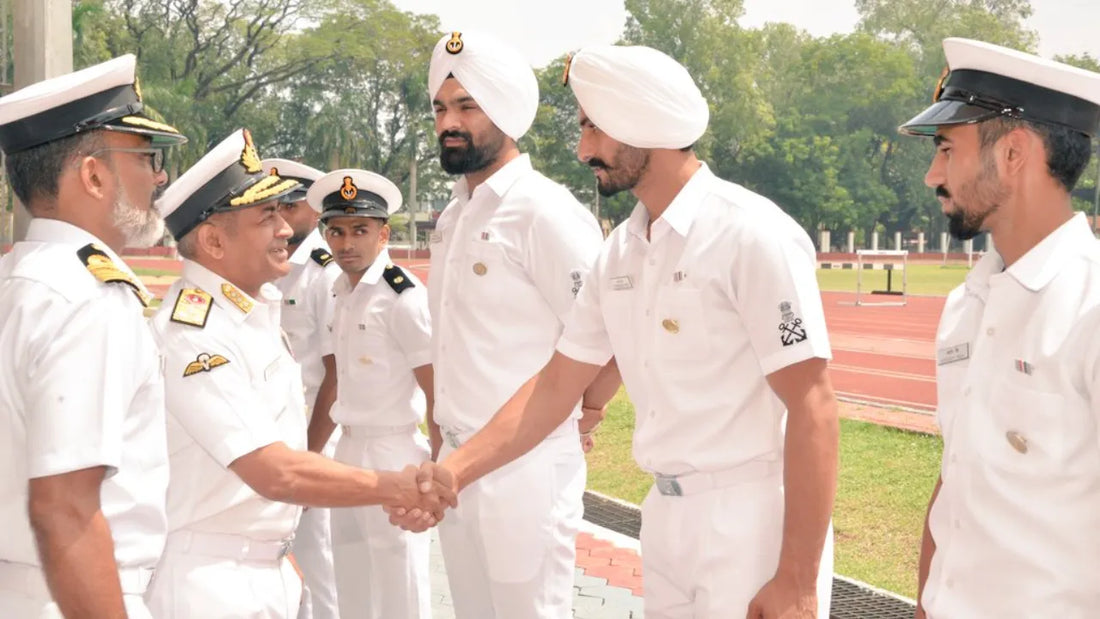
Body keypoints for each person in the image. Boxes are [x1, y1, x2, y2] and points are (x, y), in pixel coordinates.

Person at [397, 44, 839, 618]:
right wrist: (449, 474)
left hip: (749, 518)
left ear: (643, 124)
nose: (583, 151)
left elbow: (813, 405)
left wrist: (799, 582)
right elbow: (556, 385)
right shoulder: (623, 251)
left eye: (593, 129)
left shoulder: (749, 234)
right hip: (665, 516)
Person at [145, 129, 454, 618]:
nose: (286, 229)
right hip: (211, 585)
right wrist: (395, 487)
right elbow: (274, 470)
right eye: (266, 216)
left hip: (259, 571)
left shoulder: (249, 315)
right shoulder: (195, 335)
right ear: (212, 240)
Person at [898, 38, 1100, 618]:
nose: (932, 175)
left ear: (1013, 154)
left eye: (945, 149)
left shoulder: (1089, 312)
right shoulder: (968, 303)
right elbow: (956, 480)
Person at [424, 30, 620, 618]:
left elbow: (607, 335)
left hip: (524, 471)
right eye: (440, 108)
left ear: (506, 113)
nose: (448, 123)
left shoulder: (545, 211)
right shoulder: (453, 216)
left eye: (467, 106)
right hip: (456, 463)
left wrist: (587, 410)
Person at [0, 54, 187, 618]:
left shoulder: (21, 281)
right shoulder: (89, 299)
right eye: (145, 157)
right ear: (94, 175)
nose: (158, 177)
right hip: (76, 595)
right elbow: (66, 510)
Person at [305, 169, 434, 618]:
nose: (346, 243)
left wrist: (437, 470)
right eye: (336, 231)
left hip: (394, 449)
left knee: (401, 585)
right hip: (349, 449)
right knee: (352, 582)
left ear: (384, 234)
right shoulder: (340, 291)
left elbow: (435, 389)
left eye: (360, 230)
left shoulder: (403, 297)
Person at [262, 157, 342, 619]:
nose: (278, 219)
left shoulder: (322, 271)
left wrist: (310, 457)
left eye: (286, 207)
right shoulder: (278, 265)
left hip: (317, 438)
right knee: (294, 566)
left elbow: (336, 374)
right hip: (283, 434)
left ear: (311, 209)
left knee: (321, 565)